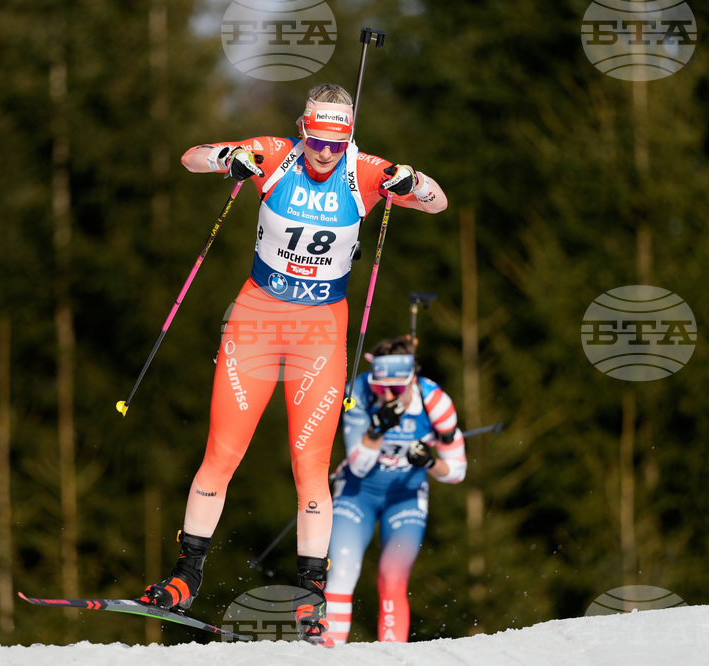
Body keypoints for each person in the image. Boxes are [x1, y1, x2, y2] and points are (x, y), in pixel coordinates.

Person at [139, 83, 448, 643]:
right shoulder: (275, 155)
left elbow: (437, 200)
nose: (325, 153)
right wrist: (226, 158)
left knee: (311, 468)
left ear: (348, 137)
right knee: (221, 454)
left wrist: (412, 181)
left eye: (336, 142)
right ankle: (185, 577)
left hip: (320, 332)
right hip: (256, 319)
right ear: (302, 130)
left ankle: (311, 596)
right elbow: (191, 158)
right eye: (316, 140)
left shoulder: (367, 171)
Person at [323, 336, 467, 645]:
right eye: (380, 386)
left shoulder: (436, 402)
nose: (387, 394)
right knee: (341, 569)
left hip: (405, 497)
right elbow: (358, 466)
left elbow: (457, 472)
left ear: (411, 379)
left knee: (392, 577)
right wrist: (377, 430)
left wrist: (430, 463)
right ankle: (327, 654)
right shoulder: (359, 392)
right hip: (358, 492)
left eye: (396, 388)